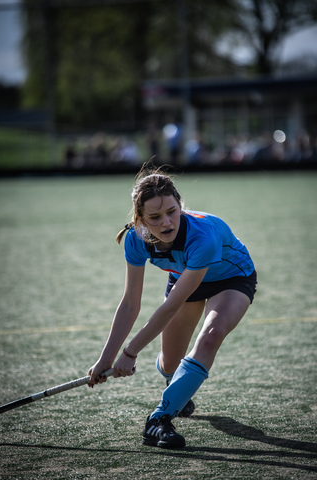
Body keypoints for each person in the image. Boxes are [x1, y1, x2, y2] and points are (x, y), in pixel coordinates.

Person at [88, 165, 257, 449]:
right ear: (140, 219)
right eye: (154, 217)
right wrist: (106, 358)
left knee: (211, 335)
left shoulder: (202, 237)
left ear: (180, 205)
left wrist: (130, 353)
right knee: (170, 364)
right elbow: (130, 303)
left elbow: (170, 307)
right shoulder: (135, 239)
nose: (166, 223)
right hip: (184, 278)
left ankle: (159, 420)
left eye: (172, 212)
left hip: (232, 278)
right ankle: (175, 382)